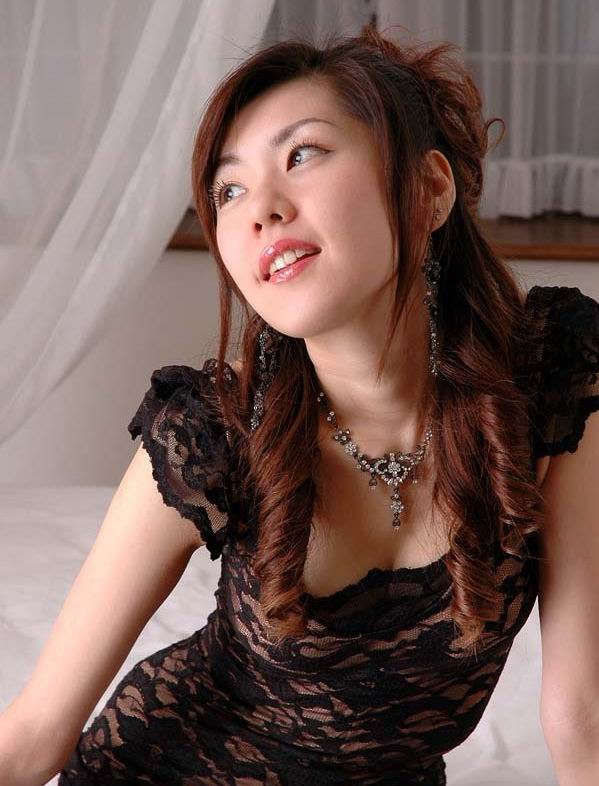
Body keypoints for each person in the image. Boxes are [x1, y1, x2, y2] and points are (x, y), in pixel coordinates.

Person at [1, 26, 598, 786]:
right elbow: (33, 736)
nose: (260, 209)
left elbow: (581, 712)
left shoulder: (550, 373)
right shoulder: (211, 433)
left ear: (429, 189)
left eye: (302, 154)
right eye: (228, 190)